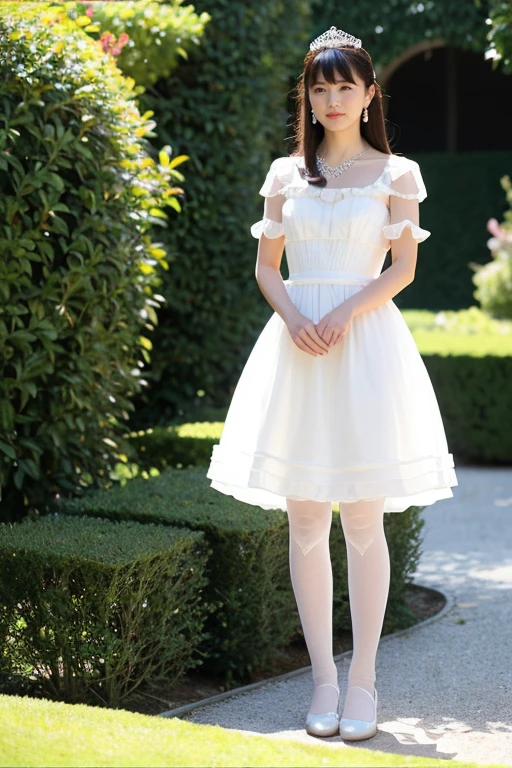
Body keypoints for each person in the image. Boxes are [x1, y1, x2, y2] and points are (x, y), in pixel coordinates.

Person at [206, 25, 458, 741]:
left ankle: (365, 682)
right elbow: (266, 267)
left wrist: (343, 311)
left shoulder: (397, 173)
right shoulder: (285, 175)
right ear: (308, 98)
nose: (334, 97)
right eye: (321, 86)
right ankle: (322, 680)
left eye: (347, 85)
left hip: (366, 345)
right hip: (296, 349)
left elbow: (403, 271)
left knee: (362, 520)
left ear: (370, 93)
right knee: (307, 520)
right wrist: (293, 316)